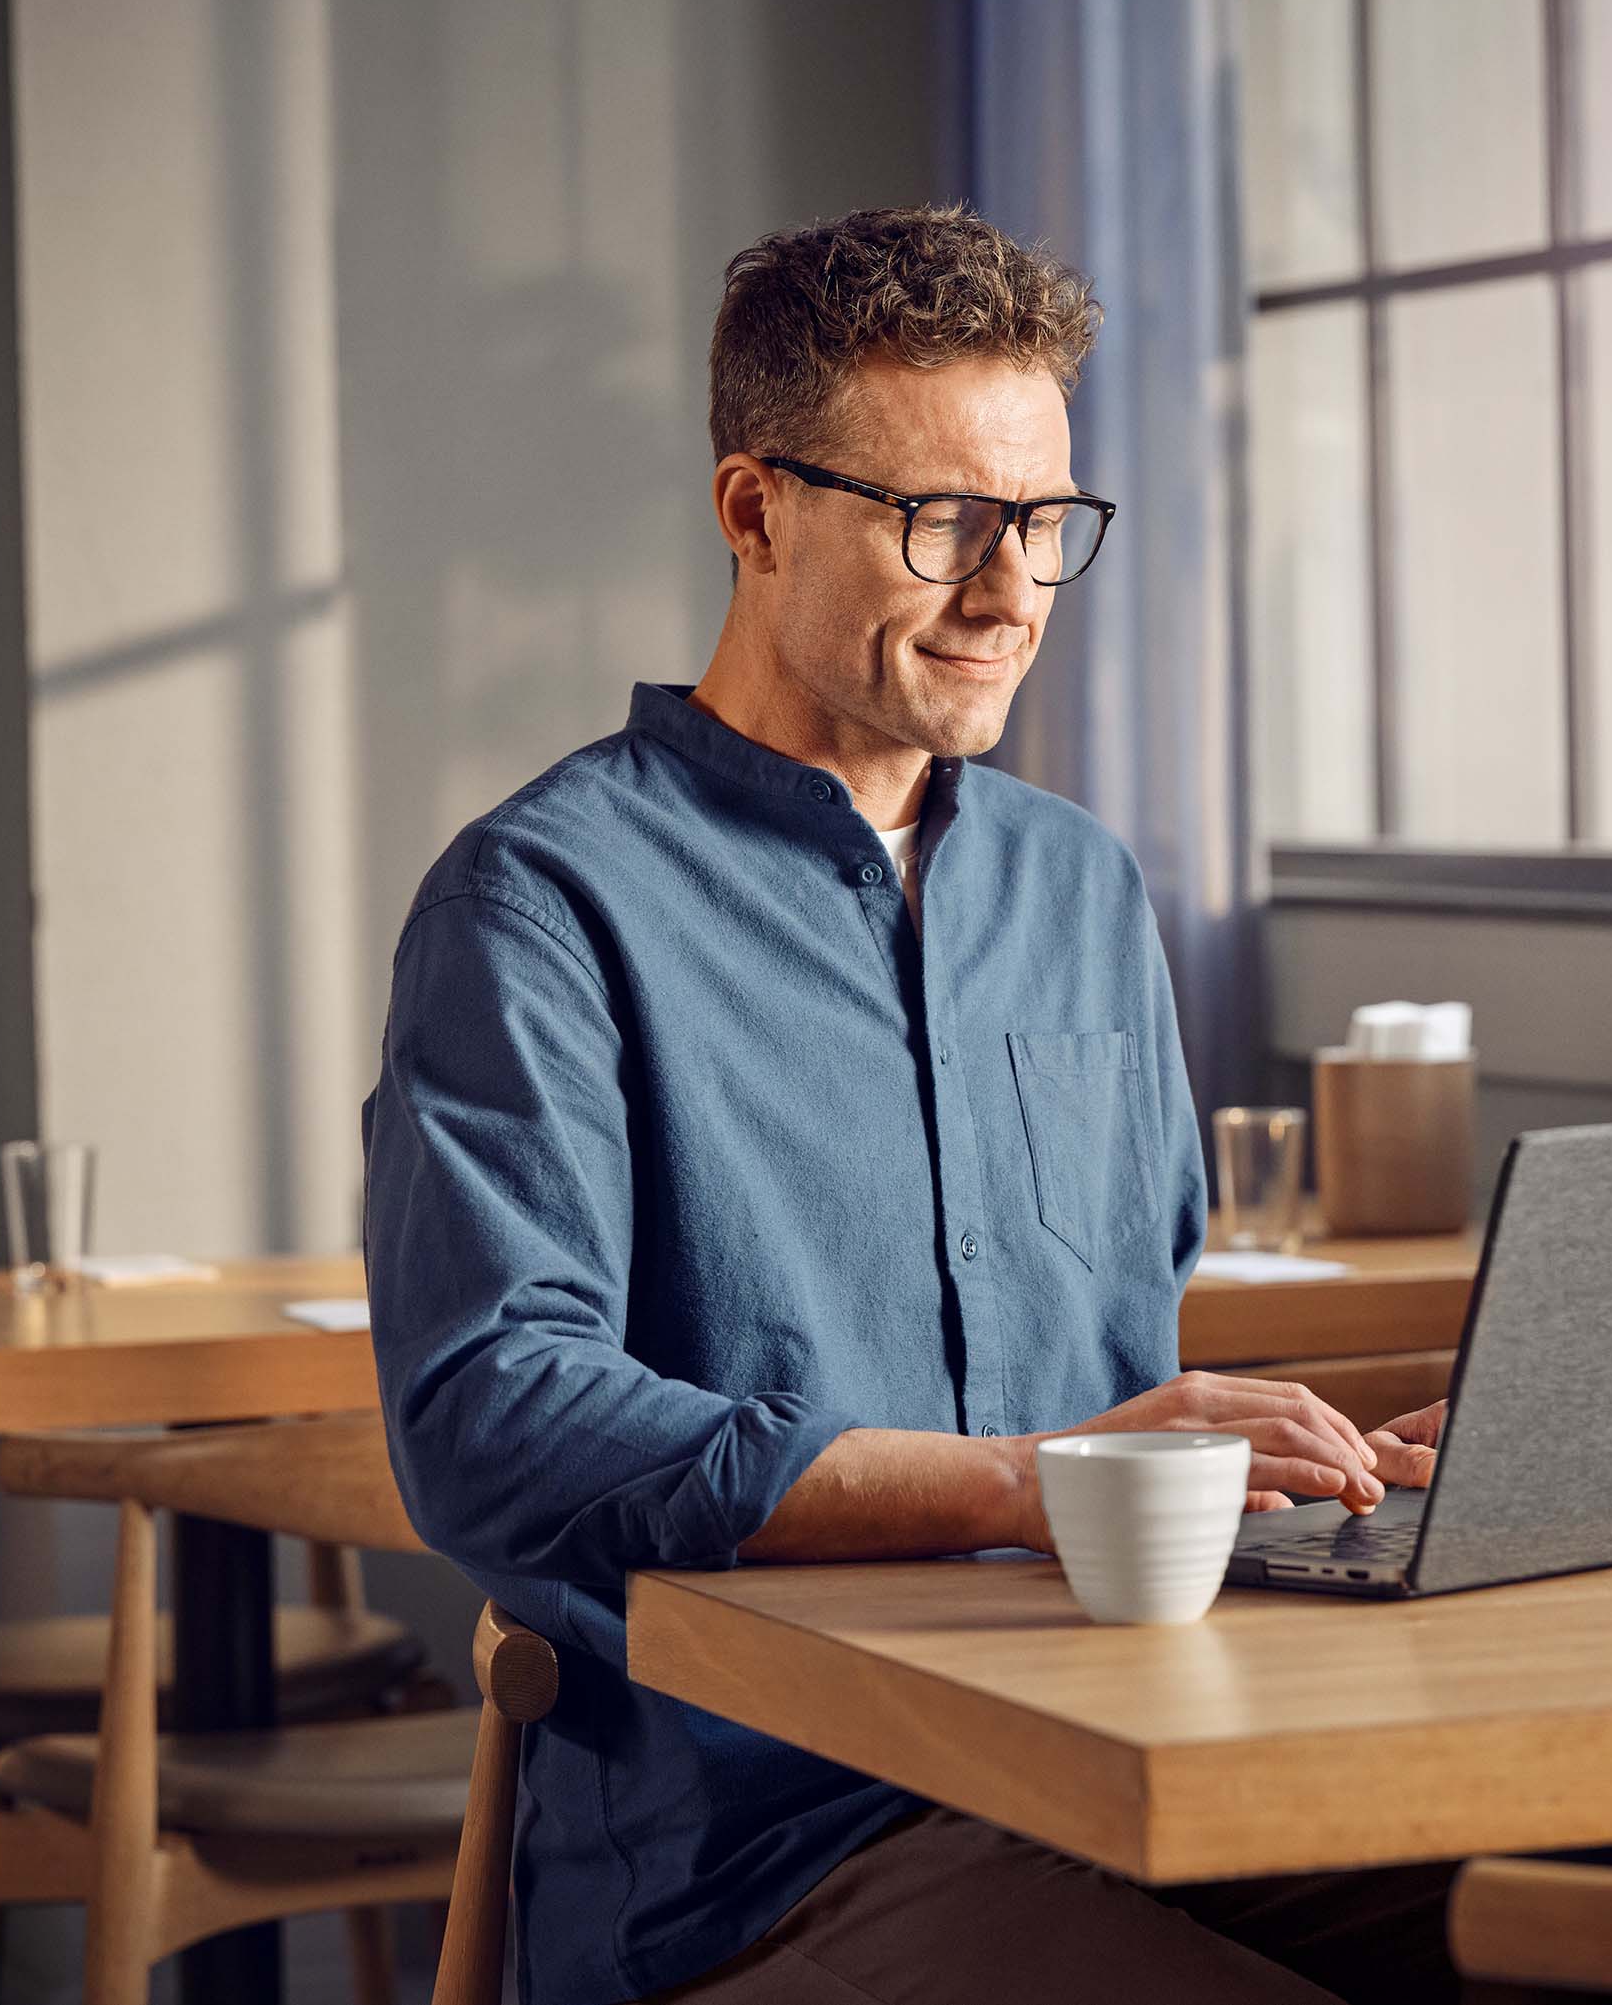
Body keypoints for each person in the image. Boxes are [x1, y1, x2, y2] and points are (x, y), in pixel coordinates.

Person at [363, 206, 1464, 2003]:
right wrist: (1036, 1483)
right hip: (763, 1850)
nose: (1012, 589)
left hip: (1133, 1760)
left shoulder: (1085, 891)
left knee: (1591, 1934)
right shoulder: (537, 907)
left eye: (1044, 524)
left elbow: (1121, 1363)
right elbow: (495, 1419)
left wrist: (1322, 1474)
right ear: (753, 511)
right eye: (943, 520)